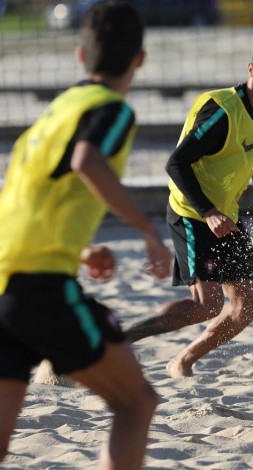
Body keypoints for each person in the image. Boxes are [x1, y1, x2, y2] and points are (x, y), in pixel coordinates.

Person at [0, 1, 172, 468]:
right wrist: (148, 232)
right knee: (136, 402)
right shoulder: (110, 109)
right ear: (139, 59)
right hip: (40, 291)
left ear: (80, 56)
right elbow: (86, 161)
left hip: (7, 282)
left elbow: (24, 202)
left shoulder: (52, 115)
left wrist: (80, 250)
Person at [124, 36, 253, 378]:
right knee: (207, 305)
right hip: (191, 211)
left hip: (226, 216)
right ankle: (120, 339)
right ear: (251, 68)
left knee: (248, 307)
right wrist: (208, 212)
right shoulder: (222, 111)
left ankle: (183, 360)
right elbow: (176, 163)